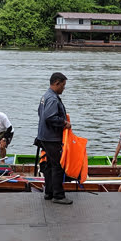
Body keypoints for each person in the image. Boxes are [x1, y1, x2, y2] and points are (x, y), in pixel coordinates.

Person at [36, 72, 72, 205]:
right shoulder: (52, 98)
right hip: (51, 138)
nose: (64, 88)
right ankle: (58, 195)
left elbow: (40, 113)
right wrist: (64, 123)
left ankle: (49, 192)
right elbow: (49, 117)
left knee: (50, 165)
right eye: (63, 85)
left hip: (44, 136)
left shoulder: (46, 96)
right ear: (57, 83)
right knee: (57, 166)